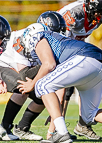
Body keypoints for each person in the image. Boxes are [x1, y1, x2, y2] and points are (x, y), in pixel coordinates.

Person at [15, 22, 102, 143]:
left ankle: (62, 133)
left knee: (42, 85)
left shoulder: (37, 36)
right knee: (89, 115)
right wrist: (52, 128)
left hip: (85, 59)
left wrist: (32, 84)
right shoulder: (57, 40)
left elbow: (49, 64)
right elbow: (60, 93)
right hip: (97, 63)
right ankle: (60, 133)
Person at [0, 11, 68, 141]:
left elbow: (61, 88)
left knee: (43, 95)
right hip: (1, 64)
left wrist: (55, 117)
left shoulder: (47, 42)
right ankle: (5, 128)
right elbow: (25, 75)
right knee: (22, 86)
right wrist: (49, 65)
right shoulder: (26, 37)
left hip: (27, 68)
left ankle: (23, 128)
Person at [57, 0, 102, 139]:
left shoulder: (96, 15)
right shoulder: (74, 13)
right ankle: (58, 129)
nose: (99, 16)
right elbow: (61, 38)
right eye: (98, 13)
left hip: (76, 44)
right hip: (59, 44)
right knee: (66, 86)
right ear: (89, 9)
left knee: (86, 80)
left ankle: (83, 125)